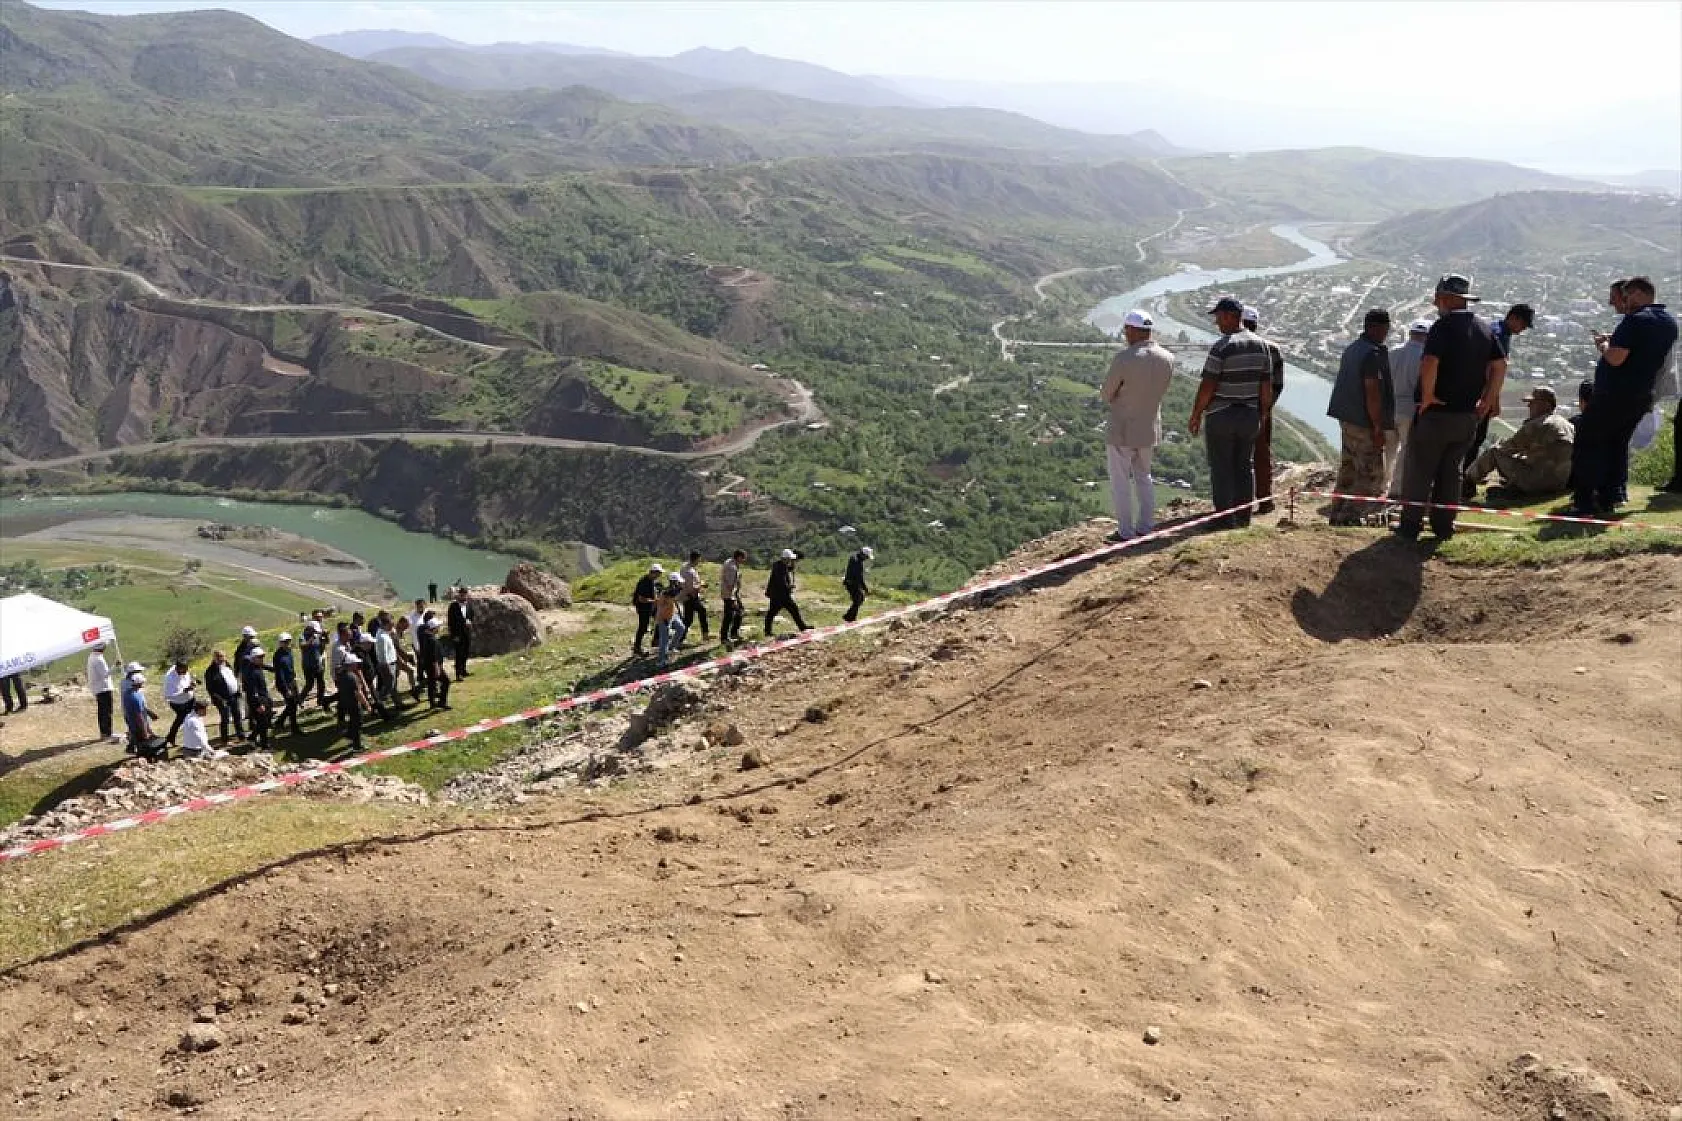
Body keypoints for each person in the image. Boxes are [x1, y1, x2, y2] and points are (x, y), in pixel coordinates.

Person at [1396, 274, 1507, 542]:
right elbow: (1500, 365)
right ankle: (1444, 526)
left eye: (1438, 298)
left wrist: (1428, 395)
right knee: (1451, 472)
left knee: (1419, 469)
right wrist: (1488, 399)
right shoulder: (1484, 329)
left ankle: (1410, 525)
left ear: (1446, 298)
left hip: (1437, 414)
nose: (1436, 303)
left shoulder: (1443, 327)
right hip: (1467, 416)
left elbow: (1430, 362)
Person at [1573, 276, 1678, 514]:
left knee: (1588, 442)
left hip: (1614, 394)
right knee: (1617, 444)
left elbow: (1616, 358)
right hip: (1641, 395)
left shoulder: (1635, 320)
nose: (1625, 300)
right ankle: (1611, 496)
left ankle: (1584, 501)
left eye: (1628, 295)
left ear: (1639, 293)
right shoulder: (1669, 322)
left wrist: (1603, 346)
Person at [1188, 295, 1273, 529]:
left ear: (1228, 316)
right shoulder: (1261, 346)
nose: (1216, 322)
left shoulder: (1222, 346)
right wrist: (1262, 414)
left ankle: (1224, 518)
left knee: (1221, 467)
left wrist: (1196, 414)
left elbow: (1208, 385)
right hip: (1250, 415)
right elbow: (1265, 386)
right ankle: (1243, 516)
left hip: (1222, 415)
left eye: (1218, 317)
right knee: (1244, 466)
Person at [1099, 309, 1175, 539]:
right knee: (1144, 477)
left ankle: (1125, 532)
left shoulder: (1124, 359)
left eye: (1126, 330)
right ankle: (1146, 526)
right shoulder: (1168, 359)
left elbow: (1106, 394)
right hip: (1149, 428)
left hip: (1122, 429)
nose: (1125, 334)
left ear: (1132, 330)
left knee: (1120, 482)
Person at [1325, 309, 1395, 525]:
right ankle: (1352, 517)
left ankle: (1337, 512)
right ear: (1378, 328)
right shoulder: (1372, 354)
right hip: (1364, 422)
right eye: (1385, 329)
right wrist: (1377, 427)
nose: (1386, 333)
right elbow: (1372, 391)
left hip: (1347, 418)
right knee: (1369, 472)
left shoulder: (1353, 348)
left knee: (1348, 467)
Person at [1460, 303, 1535, 496]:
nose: (1522, 330)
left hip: (1475, 391)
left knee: (1473, 438)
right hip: (1480, 394)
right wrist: (1491, 400)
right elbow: (1491, 370)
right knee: (1474, 439)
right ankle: (1466, 481)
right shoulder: (1499, 334)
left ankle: (1464, 478)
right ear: (1513, 318)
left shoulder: (1498, 332)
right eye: (1523, 324)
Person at [1464, 386, 1575, 497]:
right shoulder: (1567, 425)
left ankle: (1467, 483)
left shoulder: (1537, 424)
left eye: (1532, 403)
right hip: (1559, 483)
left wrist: (1500, 445)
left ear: (1545, 404)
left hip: (1536, 482)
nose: (1529, 406)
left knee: (1494, 452)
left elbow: (1507, 448)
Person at [1242, 306, 1287, 513]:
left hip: (1236, 410)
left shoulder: (1232, 346)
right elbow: (1278, 385)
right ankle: (1265, 500)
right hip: (1262, 410)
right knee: (1262, 455)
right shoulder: (1273, 349)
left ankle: (1238, 503)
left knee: (1237, 456)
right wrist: (1265, 409)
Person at [121, 665, 165, 760]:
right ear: (138, 683)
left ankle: (138, 753)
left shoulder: (129, 693)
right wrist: (145, 730)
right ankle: (142, 759)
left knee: (138, 740)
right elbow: (139, 716)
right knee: (142, 742)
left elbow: (141, 708)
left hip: (133, 723)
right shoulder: (135, 697)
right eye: (142, 682)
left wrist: (149, 713)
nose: (143, 683)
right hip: (138, 724)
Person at [764, 548, 810, 635]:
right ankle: (767, 631)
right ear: (785, 558)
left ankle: (802, 627)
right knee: (776, 612)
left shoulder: (781, 565)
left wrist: (793, 563)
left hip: (780, 594)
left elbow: (789, 569)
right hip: (779, 595)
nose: (790, 560)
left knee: (789, 610)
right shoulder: (779, 567)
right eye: (789, 559)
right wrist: (789, 587)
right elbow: (781, 581)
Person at [204, 648, 245, 745]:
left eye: (223, 656)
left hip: (233, 695)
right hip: (222, 699)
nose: (221, 659)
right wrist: (220, 700)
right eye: (219, 657)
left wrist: (238, 690)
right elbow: (210, 689)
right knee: (225, 718)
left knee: (237, 715)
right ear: (214, 658)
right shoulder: (210, 671)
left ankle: (241, 735)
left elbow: (233, 678)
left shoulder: (228, 666)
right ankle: (224, 739)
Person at [335, 650, 374, 751]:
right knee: (357, 723)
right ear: (351, 664)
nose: (357, 665)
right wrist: (367, 705)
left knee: (353, 720)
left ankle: (349, 734)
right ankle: (357, 745)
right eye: (355, 663)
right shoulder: (352, 677)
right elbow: (358, 693)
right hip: (353, 703)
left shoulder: (340, 674)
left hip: (345, 702)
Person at [241, 645, 273, 751]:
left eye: (262, 657)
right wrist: (259, 704)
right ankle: (265, 745)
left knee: (264, 722)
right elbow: (252, 690)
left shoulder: (257, 667)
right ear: (253, 658)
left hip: (263, 697)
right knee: (263, 723)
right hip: (257, 701)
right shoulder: (251, 672)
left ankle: (252, 737)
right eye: (259, 657)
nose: (262, 659)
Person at [87, 643, 121, 743]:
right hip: (103, 688)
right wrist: (115, 666)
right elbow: (105, 674)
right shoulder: (98, 659)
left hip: (98, 688)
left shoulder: (91, 657)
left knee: (102, 711)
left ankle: (104, 733)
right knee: (107, 711)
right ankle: (108, 733)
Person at [417, 617, 452, 710]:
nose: (439, 628)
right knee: (446, 681)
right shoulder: (432, 640)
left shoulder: (426, 638)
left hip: (428, 665)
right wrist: (437, 668)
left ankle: (432, 703)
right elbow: (434, 656)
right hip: (434, 666)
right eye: (438, 626)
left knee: (431, 683)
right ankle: (442, 702)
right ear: (434, 628)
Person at [272, 632, 303, 736]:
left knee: (293, 704)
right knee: (292, 706)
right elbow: (280, 674)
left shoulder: (289, 652)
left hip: (291, 681)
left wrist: (294, 677)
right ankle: (294, 729)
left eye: (288, 641)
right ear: (280, 643)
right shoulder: (278, 656)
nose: (287, 643)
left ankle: (279, 722)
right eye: (285, 642)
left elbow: (291, 667)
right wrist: (286, 689)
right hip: (284, 684)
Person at [654, 576, 688, 669]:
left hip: (672, 616)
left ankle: (671, 648)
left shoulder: (670, 591)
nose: (680, 584)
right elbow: (662, 608)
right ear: (674, 582)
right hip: (664, 618)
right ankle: (661, 661)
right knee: (664, 640)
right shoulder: (667, 593)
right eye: (678, 583)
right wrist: (664, 620)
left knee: (681, 628)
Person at [162, 657, 197, 747]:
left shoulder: (184, 670)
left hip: (190, 699)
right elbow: (169, 694)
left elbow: (187, 678)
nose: (186, 671)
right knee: (180, 719)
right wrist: (185, 690)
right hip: (178, 703)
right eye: (184, 670)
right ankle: (170, 738)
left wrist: (193, 682)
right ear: (178, 668)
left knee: (194, 716)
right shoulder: (170, 678)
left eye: (186, 669)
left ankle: (194, 735)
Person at [631, 563, 663, 657]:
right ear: (653, 572)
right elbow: (641, 599)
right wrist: (654, 601)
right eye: (658, 574)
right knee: (643, 627)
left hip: (650, 606)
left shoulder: (652, 581)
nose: (659, 576)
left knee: (660, 618)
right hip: (643, 608)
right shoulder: (644, 582)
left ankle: (656, 640)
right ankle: (637, 647)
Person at [679, 551, 710, 643]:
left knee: (688, 619)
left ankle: (680, 638)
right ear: (696, 559)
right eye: (699, 560)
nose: (699, 561)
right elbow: (691, 588)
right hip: (691, 597)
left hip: (687, 596)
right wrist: (702, 585)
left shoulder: (685, 567)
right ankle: (705, 634)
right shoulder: (689, 571)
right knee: (701, 612)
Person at [719, 550, 747, 648]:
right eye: (743, 558)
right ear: (739, 557)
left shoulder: (729, 562)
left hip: (729, 593)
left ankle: (733, 633)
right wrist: (733, 599)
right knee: (729, 616)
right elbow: (730, 584)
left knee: (739, 611)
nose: (744, 560)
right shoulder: (732, 567)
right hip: (729, 595)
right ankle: (725, 637)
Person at [445, 587, 474, 681]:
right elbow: (450, 622)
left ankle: (464, 670)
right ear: (459, 595)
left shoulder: (469, 605)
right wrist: (453, 635)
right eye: (462, 594)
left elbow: (471, 615)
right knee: (459, 654)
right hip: (457, 634)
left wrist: (470, 621)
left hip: (467, 632)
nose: (463, 596)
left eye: (465, 594)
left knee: (466, 652)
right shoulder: (453, 606)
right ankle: (458, 674)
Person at [300, 621, 329, 709]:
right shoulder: (302, 636)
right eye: (314, 630)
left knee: (321, 684)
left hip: (317, 663)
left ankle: (320, 701)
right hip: (308, 665)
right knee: (309, 684)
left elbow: (324, 644)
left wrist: (325, 636)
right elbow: (303, 646)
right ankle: (300, 699)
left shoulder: (318, 636)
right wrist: (312, 638)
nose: (316, 632)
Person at [842, 546, 874, 623]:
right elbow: (859, 578)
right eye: (866, 557)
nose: (866, 559)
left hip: (852, 582)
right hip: (851, 583)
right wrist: (865, 589)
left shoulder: (855, 558)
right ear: (863, 554)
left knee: (859, 599)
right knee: (858, 600)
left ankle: (849, 616)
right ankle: (850, 618)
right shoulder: (857, 562)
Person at [373, 621, 401, 708]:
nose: (392, 627)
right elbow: (383, 654)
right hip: (387, 665)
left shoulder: (385, 634)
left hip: (391, 663)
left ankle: (398, 704)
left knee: (393, 686)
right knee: (388, 686)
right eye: (391, 625)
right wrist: (387, 667)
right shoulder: (382, 637)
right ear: (385, 625)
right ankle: (377, 703)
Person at [393, 616, 420, 701]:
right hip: (396, 657)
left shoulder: (401, 632)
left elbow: (403, 645)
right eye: (406, 626)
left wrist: (408, 655)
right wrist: (405, 655)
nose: (406, 628)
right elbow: (396, 647)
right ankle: (392, 693)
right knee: (399, 674)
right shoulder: (394, 632)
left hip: (401, 657)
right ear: (401, 623)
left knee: (397, 675)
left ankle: (395, 693)